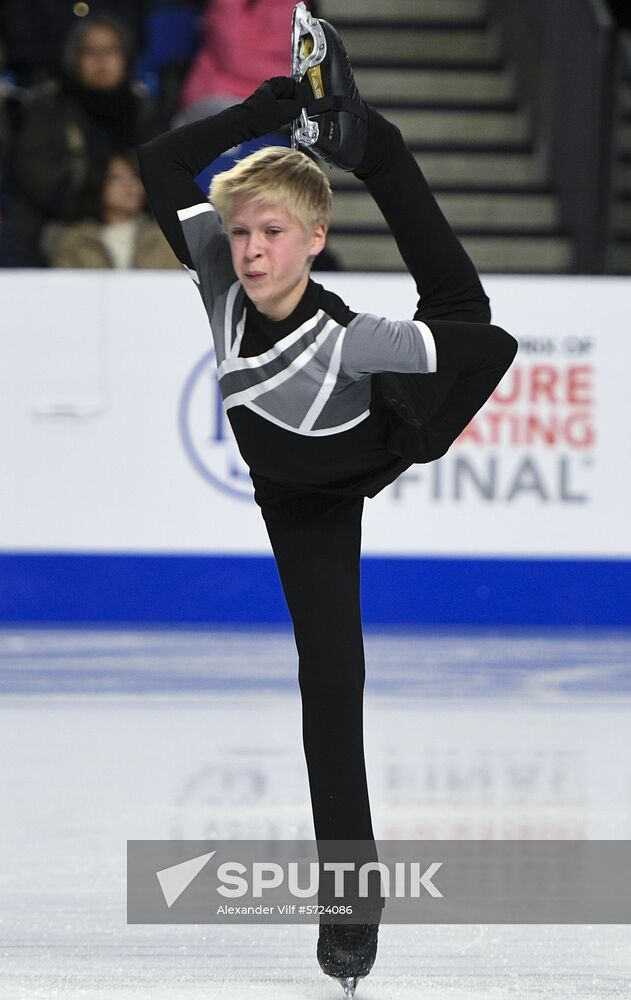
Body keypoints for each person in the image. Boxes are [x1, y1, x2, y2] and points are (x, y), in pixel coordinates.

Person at [138, 13, 518, 996]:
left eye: (273, 234)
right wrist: (258, 112)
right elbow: (156, 163)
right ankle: (352, 901)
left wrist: (422, 436)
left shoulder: (355, 337)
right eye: (242, 232)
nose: (252, 251)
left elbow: (492, 348)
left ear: (312, 241)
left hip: (364, 447)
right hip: (292, 496)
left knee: (462, 311)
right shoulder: (219, 283)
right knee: (328, 683)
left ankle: (375, 147)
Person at [13, 13, 164, 264]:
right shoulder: (50, 107)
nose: (102, 60)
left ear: (126, 57)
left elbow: (165, 171)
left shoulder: (144, 110)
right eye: (91, 51)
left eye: (111, 50)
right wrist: (88, 194)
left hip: (141, 221)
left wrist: (130, 193)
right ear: (74, 59)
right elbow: (33, 172)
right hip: (66, 221)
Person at [49, 149, 179, 268]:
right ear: (99, 183)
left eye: (135, 177)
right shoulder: (73, 240)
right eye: (116, 178)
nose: (128, 185)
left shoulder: (166, 238)